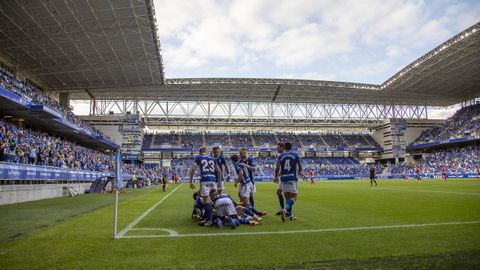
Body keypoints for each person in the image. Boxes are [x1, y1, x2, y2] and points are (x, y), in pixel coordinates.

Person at [189, 146, 221, 226]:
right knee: (214, 198)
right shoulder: (212, 158)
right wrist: (219, 182)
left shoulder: (198, 157)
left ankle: (209, 220)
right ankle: (219, 216)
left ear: (200, 151)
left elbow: (193, 169)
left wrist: (190, 181)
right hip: (213, 179)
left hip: (205, 180)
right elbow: (219, 171)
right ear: (206, 151)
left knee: (205, 200)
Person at [231, 154, 267, 218]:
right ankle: (248, 212)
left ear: (233, 161)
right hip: (247, 183)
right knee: (242, 199)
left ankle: (254, 214)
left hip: (246, 184)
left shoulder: (237, 165)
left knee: (246, 201)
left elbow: (241, 173)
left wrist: (236, 182)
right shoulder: (241, 163)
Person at [274, 142, 302, 222]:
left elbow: (277, 168)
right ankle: (285, 210)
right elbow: (300, 167)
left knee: (287, 198)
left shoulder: (281, 156)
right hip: (292, 178)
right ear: (291, 147)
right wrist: (299, 172)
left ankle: (290, 215)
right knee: (294, 197)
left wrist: (276, 177)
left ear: (284, 147)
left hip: (283, 178)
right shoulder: (295, 155)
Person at [275, 143, 286, 216]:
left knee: (287, 195)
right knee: (279, 192)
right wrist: (277, 176)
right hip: (282, 177)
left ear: (282, 147)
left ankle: (287, 211)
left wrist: (276, 176)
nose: (277, 149)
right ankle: (282, 209)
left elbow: (280, 168)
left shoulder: (283, 156)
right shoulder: (283, 155)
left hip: (286, 177)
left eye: (278, 147)